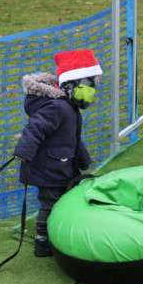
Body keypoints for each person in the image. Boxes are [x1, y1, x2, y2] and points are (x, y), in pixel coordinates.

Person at [13, 49, 101, 257]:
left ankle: (62, 235)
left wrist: (83, 160)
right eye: (89, 87)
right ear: (73, 84)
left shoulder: (69, 106)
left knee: (66, 201)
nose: (92, 92)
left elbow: (73, 138)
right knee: (51, 204)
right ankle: (42, 241)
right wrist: (24, 151)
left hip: (63, 166)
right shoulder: (56, 107)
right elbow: (35, 128)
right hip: (49, 170)